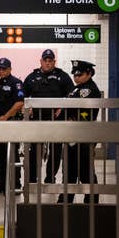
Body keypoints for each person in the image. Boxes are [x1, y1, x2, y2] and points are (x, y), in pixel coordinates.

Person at [22, 49, 74, 183]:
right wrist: (27, 106)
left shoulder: (62, 76)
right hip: (36, 120)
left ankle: (50, 178)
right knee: (34, 151)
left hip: (56, 119)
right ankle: (32, 180)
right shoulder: (32, 77)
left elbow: (72, 94)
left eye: (50, 61)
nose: (48, 63)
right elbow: (22, 96)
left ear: (54, 62)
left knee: (55, 151)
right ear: (41, 61)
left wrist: (63, 106)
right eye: (45, 60)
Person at [58, 60, 101, 203]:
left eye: (79, 74)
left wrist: (70, 115)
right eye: (74, 75)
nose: (76, 78)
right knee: (69, 170)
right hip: (73, 134)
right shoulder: (77, 88)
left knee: (85, 170)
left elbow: (81, 111)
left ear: (89, 73)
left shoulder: (89, 90)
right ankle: (66, 199)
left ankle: (91, 201)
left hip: (83, 135)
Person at [0, 58, 24, 194]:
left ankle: (15, 184)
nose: (1, 71)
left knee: (12, 155)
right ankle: (2, 184)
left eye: (4, 68)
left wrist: (6, 116)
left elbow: (19, 103)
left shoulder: (16, 83)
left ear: (10, 69)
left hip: (10, 124)